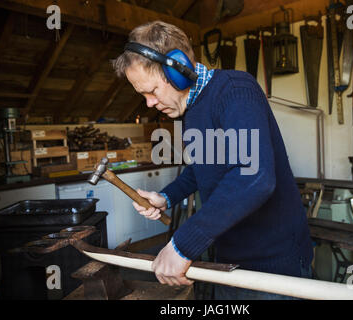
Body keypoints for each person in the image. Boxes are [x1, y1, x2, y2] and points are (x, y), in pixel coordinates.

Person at [111, 21, 314, 300]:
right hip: (228, 261)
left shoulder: (235, 90)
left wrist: (182, 244)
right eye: (142, 95)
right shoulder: (191, 110)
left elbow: (252, 176)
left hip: (273, 265)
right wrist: (166, 197)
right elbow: (202, 167)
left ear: (179, 70)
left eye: (152, 91)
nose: (148, 103)